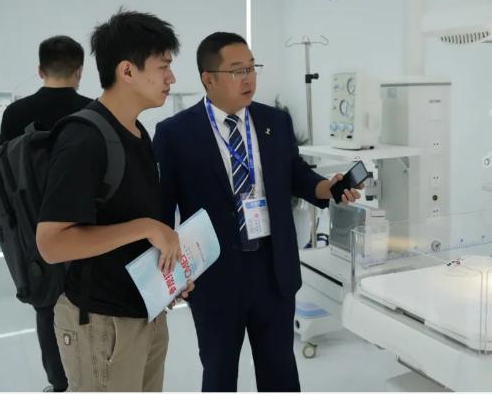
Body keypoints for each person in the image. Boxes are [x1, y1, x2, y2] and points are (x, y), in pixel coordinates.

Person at [153, 32, 361, 392]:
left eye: (252, 68)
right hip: (215, 276)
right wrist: (167, 276)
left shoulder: (274, 121)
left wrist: (326, 188)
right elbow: (162, 207)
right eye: (237, 70)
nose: (248, 78)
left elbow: (296, 174)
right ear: (208, 79)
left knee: (280, 371)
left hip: (273, 270)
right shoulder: (175, 133)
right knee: (219, 373)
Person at [35, 10, 192, 392]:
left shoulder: (136, 132)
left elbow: (128, 228)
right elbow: (51, 244)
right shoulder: (84, 138)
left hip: (144, 310)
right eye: (163, 66)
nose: (172, 78)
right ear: (127, 71)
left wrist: (169, 276)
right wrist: (146, 227)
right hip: (102, 324)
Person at [0, 35, 90, 392]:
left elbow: (2, 173)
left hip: (34, 227)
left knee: (46, 305)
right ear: (79, 71)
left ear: (40, 70)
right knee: (89, 302)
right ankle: (91, 378)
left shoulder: (17, 114)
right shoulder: (92, 111)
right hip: (86, 224)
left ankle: (59, 382)